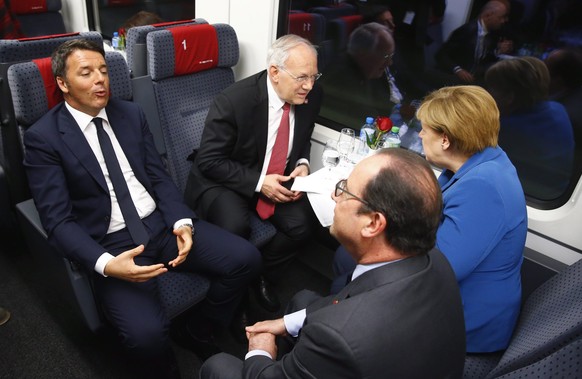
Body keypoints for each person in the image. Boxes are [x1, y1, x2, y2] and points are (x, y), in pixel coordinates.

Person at [23, 39, 261, 377]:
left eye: (104, 71)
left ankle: (198, 329)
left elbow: (158, 176)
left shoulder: (130, 114)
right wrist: (106, 265)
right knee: (146, 336)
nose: (100, 80)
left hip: (161, 225)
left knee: (246, 259)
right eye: (86, 73)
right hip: (112, 244)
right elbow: (58, 222)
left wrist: (181, 221)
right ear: (62, 83)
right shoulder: (43, 138)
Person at [199, 148, 466, 379]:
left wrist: (261, 350)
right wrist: (284, 323)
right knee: (303, 299)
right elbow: (351, 300)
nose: (334, 198)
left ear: (373, 223)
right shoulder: (434, 261)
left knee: (218, 365)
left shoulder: (338, 336)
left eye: (345, 191)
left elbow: (341, 330)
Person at [333, 86, 527, 353]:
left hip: (464, 319)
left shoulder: (484, 187)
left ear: (445, 139)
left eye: (425, 129)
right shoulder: (479, 162)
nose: (421, 134)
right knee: (345, 261)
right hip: (450, 288)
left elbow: (441, 268)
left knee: (348, 272)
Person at [184, 34, 322, 313]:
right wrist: (260, 183)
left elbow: (303, 136)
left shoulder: (311, 93)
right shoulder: (235, 100)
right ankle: (234, 292)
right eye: (301, 78)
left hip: (277, 176)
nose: (309, 85)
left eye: (314, 76)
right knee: (235, 229)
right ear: (274, 72)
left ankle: (260, 275)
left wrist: (304, 163)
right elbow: (209, 161)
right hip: (228, 179)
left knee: (304, 225)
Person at [485, 56, 575, 200]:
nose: (488, 94)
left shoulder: (507, 129)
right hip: (553, 191)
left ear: (509, 97)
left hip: (529, 196)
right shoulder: (558, 109)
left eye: (492, 89)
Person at [319, 22, 397, 129]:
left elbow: (382, 105)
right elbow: (362, 122)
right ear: (364, 53)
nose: (389, 62)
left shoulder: (369, 71)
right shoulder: (341, 80)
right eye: (386, 56)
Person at [433, 0, 512, 85]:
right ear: (488, 15)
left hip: (474, 79)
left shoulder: (490, 35)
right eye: (501, 17)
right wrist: (458, 70)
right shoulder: (467, 30)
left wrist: (498, 51)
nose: (504, 21)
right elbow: (441, 55)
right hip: (456, 80)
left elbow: (482, 58)